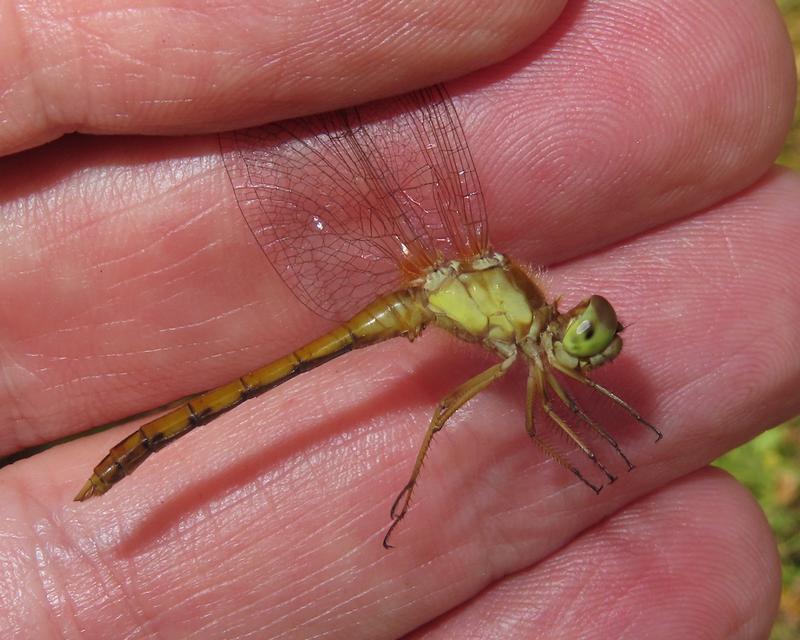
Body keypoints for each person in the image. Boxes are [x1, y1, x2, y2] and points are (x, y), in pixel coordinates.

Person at [0, 1, 796, 637]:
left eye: (589, 334)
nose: (588, 343)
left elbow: (547, 403)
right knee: (423, 416)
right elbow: (542, 410)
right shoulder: (526, 335)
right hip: (421, 291)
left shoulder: (526, 336)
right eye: (589, 332)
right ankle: (177, 453)